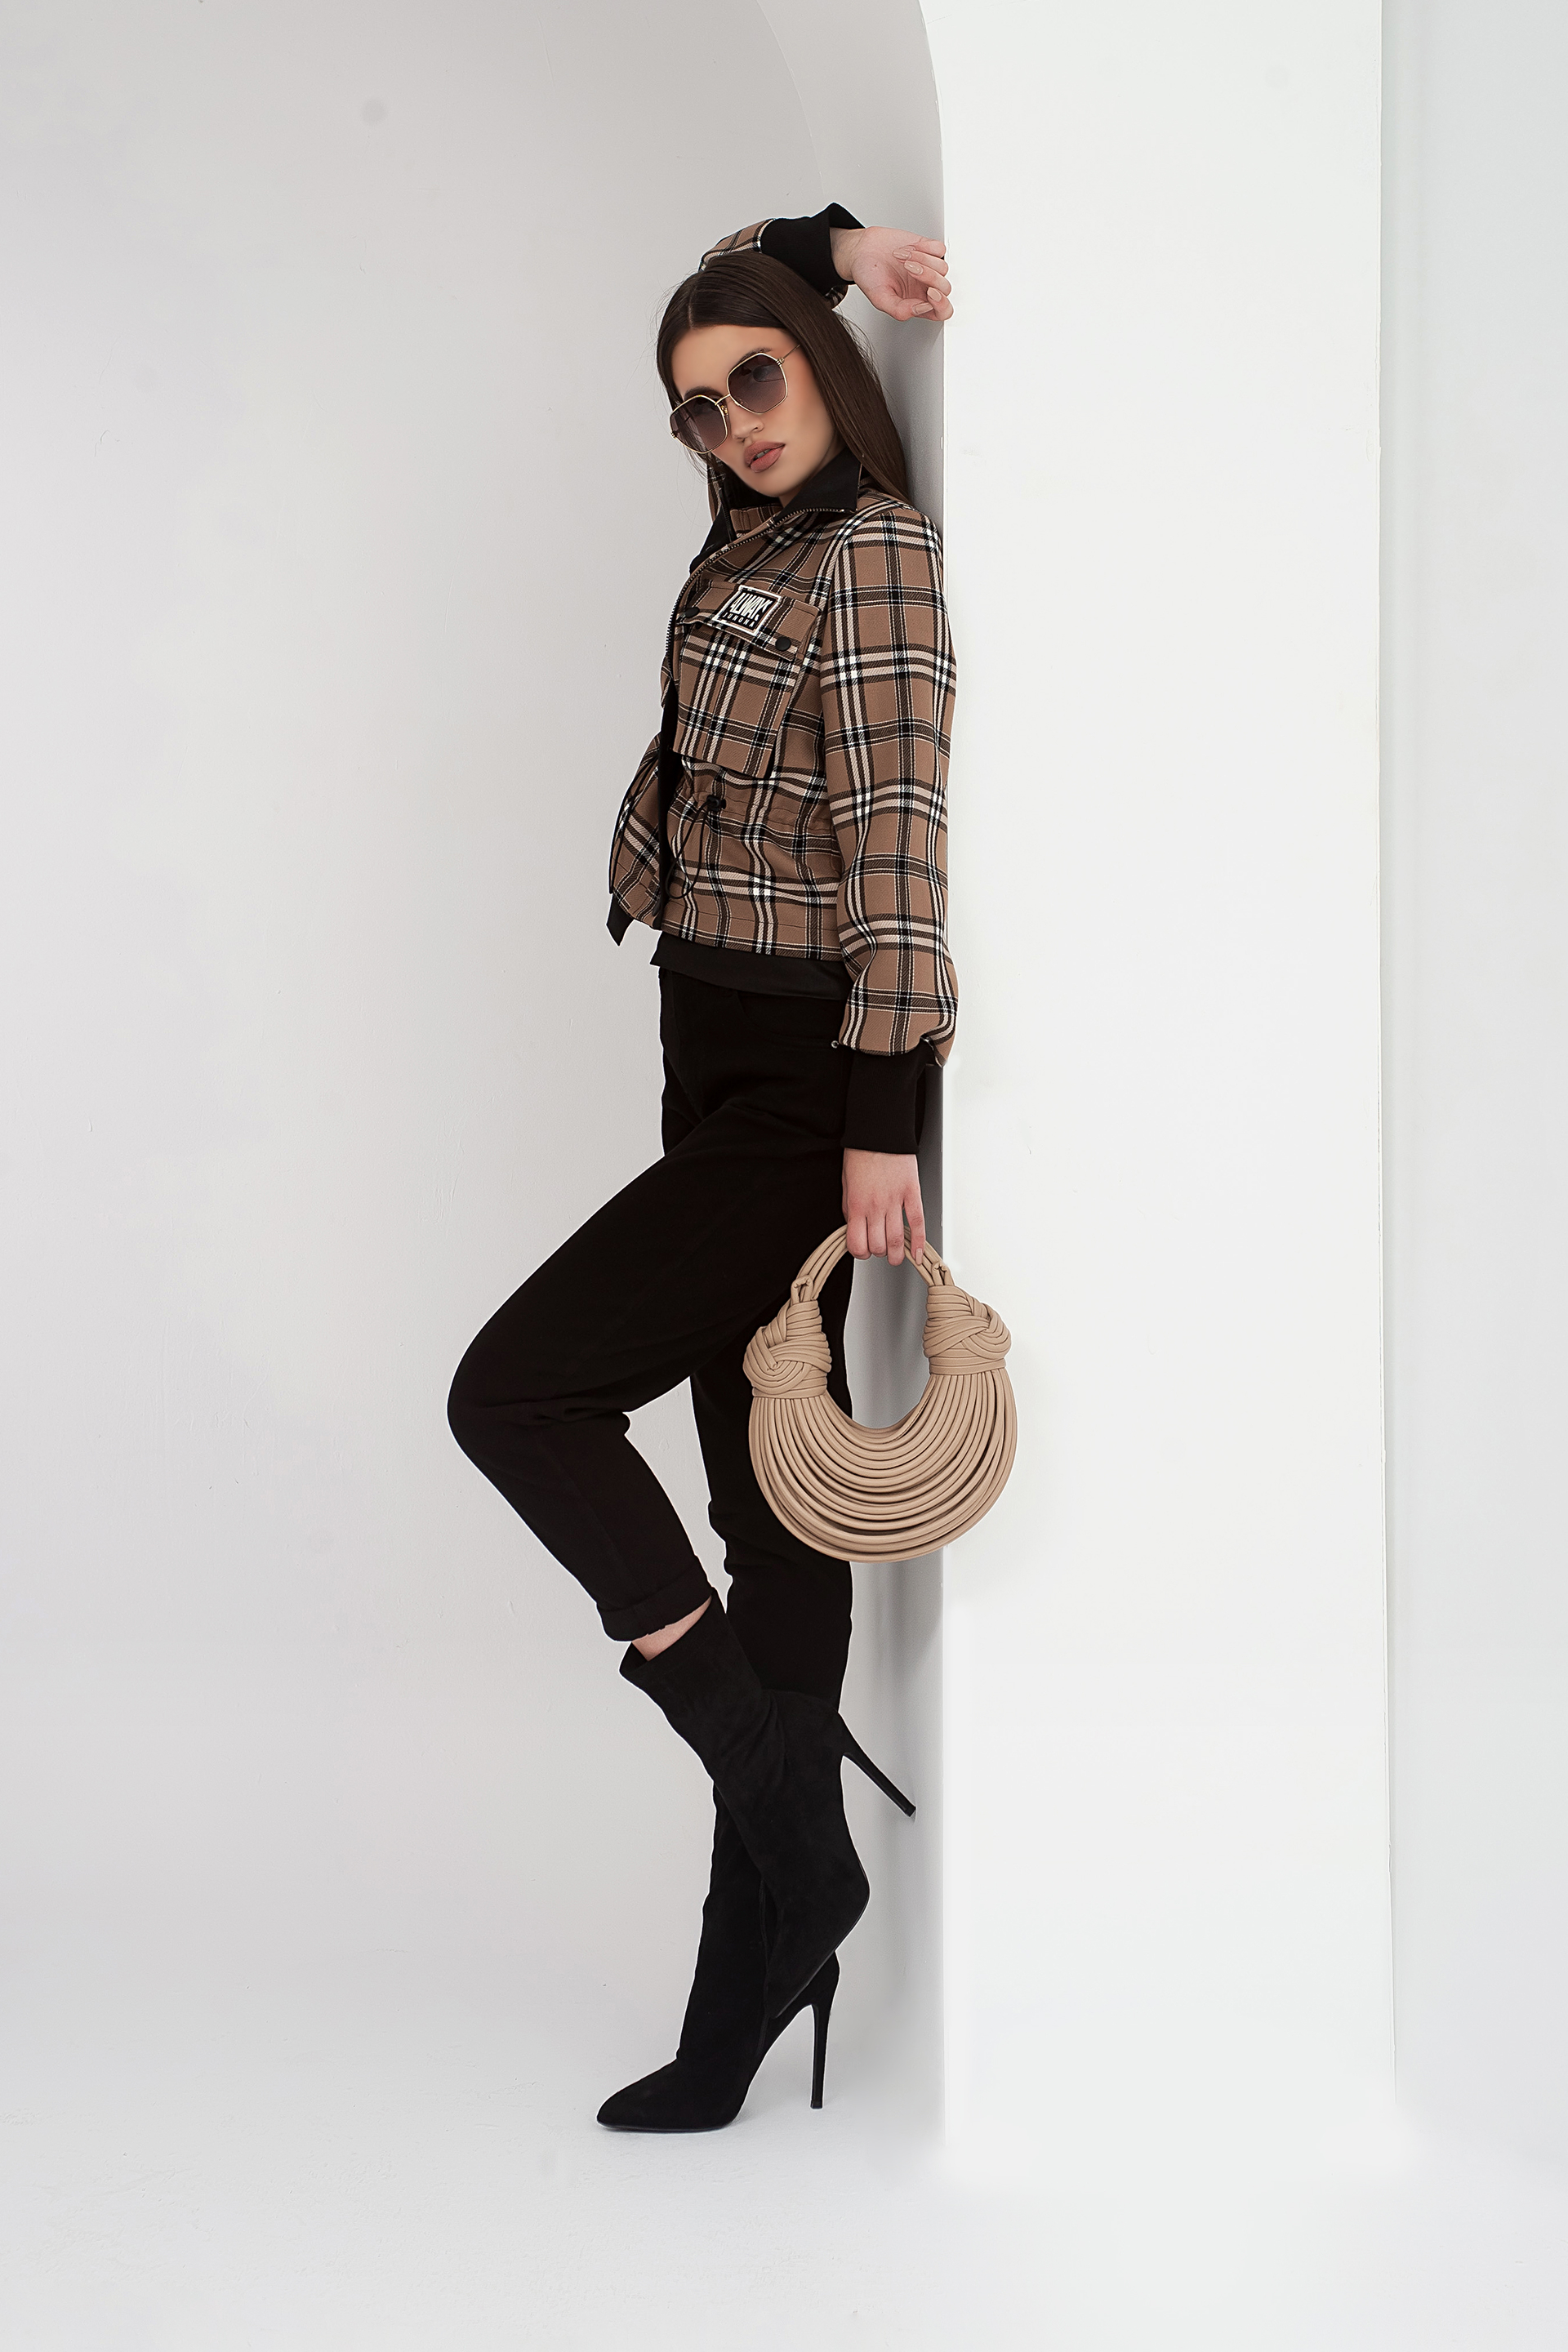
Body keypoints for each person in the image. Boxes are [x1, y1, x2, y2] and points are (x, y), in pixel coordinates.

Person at [446, 204, 957, 2132]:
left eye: (758, 375)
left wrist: (881, 1118)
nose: (736, 419)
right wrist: (830, 245)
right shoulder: (753, 533)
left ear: (818, 370)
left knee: (518, 1393)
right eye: (700, 406)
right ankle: (747, 1992)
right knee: (769, 1516)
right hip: (706, 1039)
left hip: (804, 1081)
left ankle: (775, 1792)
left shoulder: (871, 550)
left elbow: (898, 839)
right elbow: (739, 268)